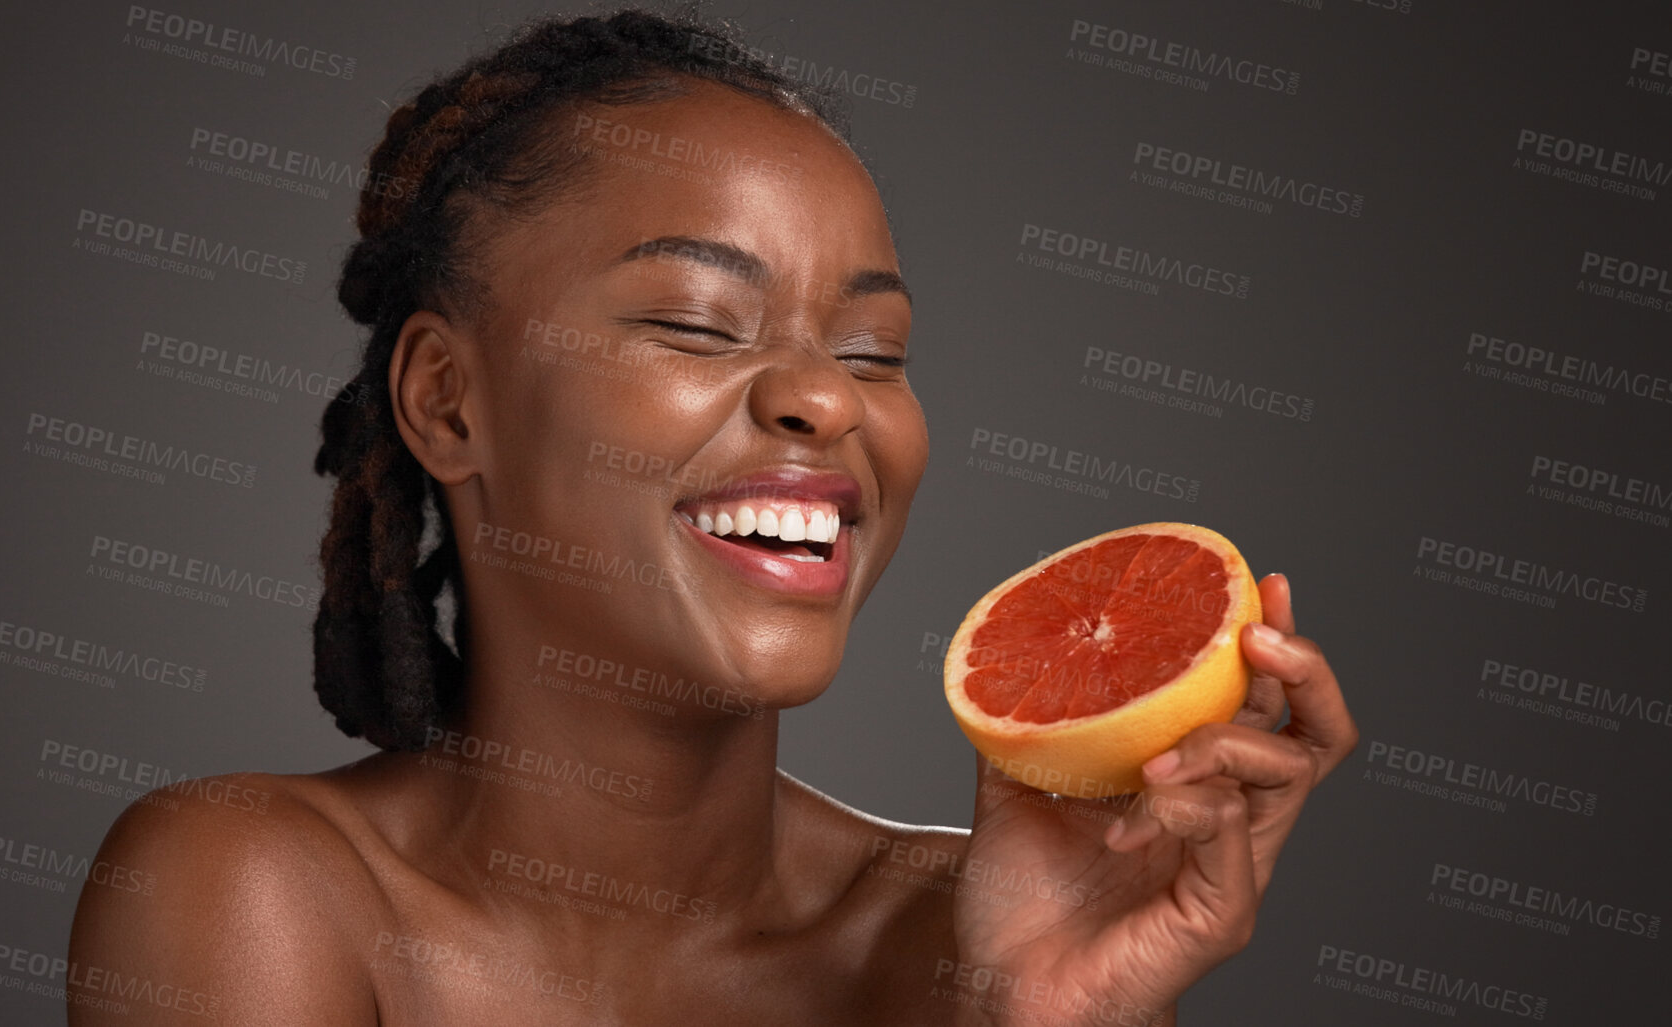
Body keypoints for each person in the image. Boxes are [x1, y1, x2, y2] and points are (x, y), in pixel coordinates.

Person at [67, 8, 1358, 1024]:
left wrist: (1056, 1024)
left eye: (873, 349)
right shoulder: (253, 888)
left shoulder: (965, 943)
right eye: (694, 324)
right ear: (447, 402)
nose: (824, 401)